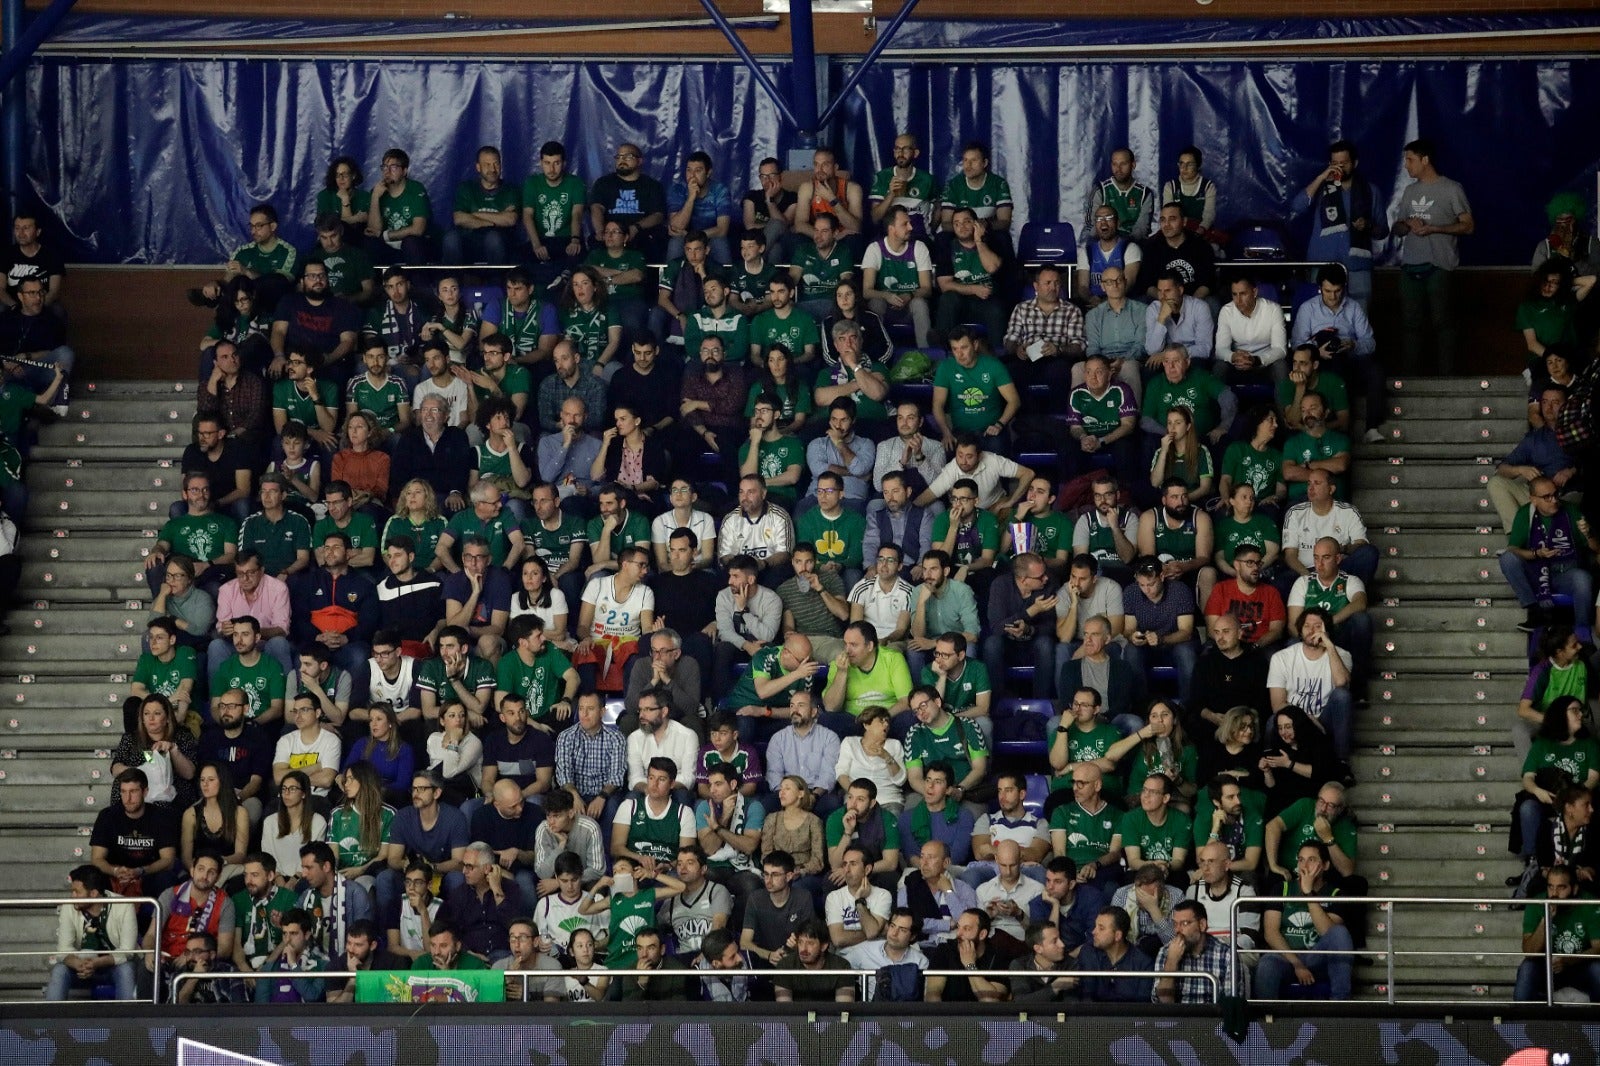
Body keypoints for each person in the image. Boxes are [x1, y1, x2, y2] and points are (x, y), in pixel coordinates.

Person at [1391, 137, 1474, 375]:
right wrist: (1408, 223)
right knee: (1409, 324)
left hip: (1439, 265)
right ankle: (1411, 379)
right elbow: (1397, 229)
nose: (1406, 165)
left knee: (1443, 323)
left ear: (1425, 160)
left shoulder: (1451, 188)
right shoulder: (1409, 191)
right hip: (1410, 267)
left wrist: (1435, 228)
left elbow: (1468, 226)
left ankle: (1446, 377)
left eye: (1410, 160)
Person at [1289, 264, 1384, 443]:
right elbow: (1297, 343)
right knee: (1335, 369)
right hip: (1320, 361)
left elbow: (1370, 343)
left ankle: (1371, 427)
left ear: (1344, 288)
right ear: (1320, 289)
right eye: (1328, 291)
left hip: (1350, 357)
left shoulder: (1354, 307)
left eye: (1337, 291)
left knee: (1376, 372)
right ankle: (1339, 429)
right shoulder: (1308, 309)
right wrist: (1317, 351)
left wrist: (1353, 344)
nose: (1333, 296)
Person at [1292, 139, 1387, 309]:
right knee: (1320, 319)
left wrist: (1368, 226)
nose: (1339, 167)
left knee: (1358, 321)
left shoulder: (1370, 191)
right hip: (1322, 265)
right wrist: (1321, 177)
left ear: (1355, 163)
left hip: (1357, 268)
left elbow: (1383, 231)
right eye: (1334, 163)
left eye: (1344, 163)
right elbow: (1297, 207)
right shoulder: (1321, 188)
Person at [1256, 841, 1355, 1001]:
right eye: (1301, 860)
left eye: (1311, 860)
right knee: (1267, 963)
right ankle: (1265, 1020)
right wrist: (1297, 964)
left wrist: (1309, 894)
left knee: (1340, 932)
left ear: (1325, 865)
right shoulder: (1282, 889)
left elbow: (1329, 933)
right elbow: (1271, 933)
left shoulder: (1335, 893)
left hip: (1319, 958)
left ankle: (1340, 1005)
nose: (1304, 865)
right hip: (1287, 958)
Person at [377, 770, 471, 922]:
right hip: (410, 873)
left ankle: (452, 933)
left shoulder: (455, 817)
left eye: (422, 789)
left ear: (437, 793)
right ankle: (388, 933)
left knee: (457, 879)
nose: (416, 793)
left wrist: (431, 867)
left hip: (442, 873)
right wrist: (405, 864)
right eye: (414, 789)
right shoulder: (403, 816)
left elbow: (459, 863)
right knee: (384, 878)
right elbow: (392, 859)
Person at [1267, 608, 1355, 760]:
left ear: (1327, 629)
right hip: (1294, 719)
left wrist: (1329, 646)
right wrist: (1307, 717)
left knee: (1342, 695)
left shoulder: (1342, 655)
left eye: (1318, 626)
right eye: (1307, 626)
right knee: (1271, 723)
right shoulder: (1281, 658)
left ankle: (1342, 762)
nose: (1312, 630)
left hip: (1326, 718)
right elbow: (1277, 704)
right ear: (1300, 630)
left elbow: (1341, 683)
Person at [1278, 468, 1377, 596]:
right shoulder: (1295, 513)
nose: (1310, 488)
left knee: (1369, 553)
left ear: (1331, 489)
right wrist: (1309, 578)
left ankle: (1350, 596)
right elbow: (1290, 555)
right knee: (1280, 583)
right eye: (1309, 483)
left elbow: (1361, 545)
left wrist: (1342, 548)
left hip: (1337, 571)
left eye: (1317, 483)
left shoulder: (1348, 512)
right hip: (1305, 571)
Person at [47, 865, 140, 1002]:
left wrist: (97, 963)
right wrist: (77, 964)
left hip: (114, 966)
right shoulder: (69, 907)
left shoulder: (124, 905)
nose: (72, 897)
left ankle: (126, 1022)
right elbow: (63, 950)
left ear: (94, 894)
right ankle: (49, 1021)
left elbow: (128, 951)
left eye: (77, 892)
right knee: (59, 971)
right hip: (81, 967)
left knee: (126, 970)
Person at [1514, 863, 1600, 1003]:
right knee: (1527, 968)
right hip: (1547, 968)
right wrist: (1545, 921)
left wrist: (1568, 960)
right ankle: (1521, 1022)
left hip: (1581, 966)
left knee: (1597, 969)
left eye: (1561, 887)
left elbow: (1598, 947)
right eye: (1550, 887)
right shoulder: (1537, 903)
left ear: (1574, 888)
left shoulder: (1590, 903)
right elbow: (1529, 951)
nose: (1554, 894)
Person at [580, 859, 686, 971]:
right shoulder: (613, 900)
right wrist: (598, 886)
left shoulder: (648, 894)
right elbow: (584, 909)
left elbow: (681, 887)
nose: (618, 873)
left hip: (646, 960)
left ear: (636, 873)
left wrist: (653, 874)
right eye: (615, 871)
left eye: (622, 868)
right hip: (617, 961)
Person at [860, 205, 934, 348]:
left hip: (910, 306)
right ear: (891, 228)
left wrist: (910, 295)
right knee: (875, 303)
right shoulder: (875, 248)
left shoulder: (919, 247)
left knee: (920, 304)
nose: (911, 227)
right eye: (905, 224)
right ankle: (876, 353)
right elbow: (866, 291)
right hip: (886, 306)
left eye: (910, 223)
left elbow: (927, 289)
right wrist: (886, 296)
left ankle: (926, 355)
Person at [554, 691, 628, 827]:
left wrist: (601, 797)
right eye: (581, 708)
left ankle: (606, 848)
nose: (584, 714)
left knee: (612, 806)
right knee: (562, 805)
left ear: (602, 712)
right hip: (575, 792)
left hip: (606, 794)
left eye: (590, 709)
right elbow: (563, 773)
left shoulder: (616, 738)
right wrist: (574, 796)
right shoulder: (566, 737)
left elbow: (616, 777)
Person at [520, 140, 587, 288]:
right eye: (547, 163)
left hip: (566, 239)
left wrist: (575, 240)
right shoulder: (532, 183)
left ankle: (563, 280)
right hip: (541, 240)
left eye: (556, 163)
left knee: (580, 256)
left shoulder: (575, 183)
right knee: (520, 258)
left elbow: (577, 214)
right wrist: (536, 244)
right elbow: (527, 216)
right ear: (541, 163)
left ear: (564, 163)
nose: (551, 169)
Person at [589, 141, 668, 258]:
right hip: (611, 234)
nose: (622, 160)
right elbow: (596, 208)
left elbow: (658, 215)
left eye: (628, 157)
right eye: (619, 157)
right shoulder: (604, 183)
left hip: (641, 234)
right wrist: (601, 231)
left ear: (639, 161)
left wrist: (636, 228)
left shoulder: (652, 185)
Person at [716, 474, 795, 588]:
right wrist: (743, 567)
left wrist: (763, 563)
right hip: (739, 570)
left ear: (763, 494)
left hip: (768, 570)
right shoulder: (730, 519)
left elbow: (785, 553)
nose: (744, 497)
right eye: (741, 492)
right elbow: (724, 556)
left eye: (750, 492)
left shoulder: (780, 516)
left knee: (783, 571)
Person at [1152, 899, 1238, 1003]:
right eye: (1175, 924)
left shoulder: (1226, 954)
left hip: (1213, 1017)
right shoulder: (1166, 952)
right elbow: (1162, 1003)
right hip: (1178, 1017)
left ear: (1202, 925)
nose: (1177, 930)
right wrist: (1171, 962)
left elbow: (1232, 1004)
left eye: (1184, 923)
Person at [1184, 838, 1261, 952]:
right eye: (1202, 862)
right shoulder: (1193, 890)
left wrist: (1217, 947)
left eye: (1211, 861)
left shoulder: (1244, 891)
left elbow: (1249, 938)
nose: (1205, 868)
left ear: (1227, 865)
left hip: (1236, 951)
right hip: (1201, 951)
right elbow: (1187, 930)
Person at [530, 783, 606, 891]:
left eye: (556, 816)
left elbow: (597, 869)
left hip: (583, 881)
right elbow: (542, 873)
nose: (551, 822)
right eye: (548, 816)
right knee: (542, 887)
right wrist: (560, 847)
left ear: (570, 813)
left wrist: (561, 882)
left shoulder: (590, 827)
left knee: (598, 887)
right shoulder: (543, 829)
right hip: (554, 881)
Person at [1215, 273, 1287, 385]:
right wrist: (1233, 357)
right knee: (1219, 366)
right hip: (1237, 363)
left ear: (1254, 292)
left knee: (1281, 366)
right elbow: (1220, 349)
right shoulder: (1226, 311)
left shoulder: (1273, 310)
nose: (1238, 300)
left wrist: (1256, 360)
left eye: (1243, 294)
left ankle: (1286, 403)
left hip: (1265, 363)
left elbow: (1280, 350)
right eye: (1234, 294)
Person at [940, 140, 1015, 244]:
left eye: (974, 160)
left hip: (987, 232)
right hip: (961, 233)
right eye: (965, 160)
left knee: (1002, 237)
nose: (968, 165)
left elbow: (1005, 222)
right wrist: (967, 229)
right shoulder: (953, 185)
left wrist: (982, 226)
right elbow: (946, 223)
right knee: (943, 238)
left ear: (985, 163)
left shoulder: (998, 183)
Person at [624, 697, 698, 801]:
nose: (641, 715)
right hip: (646, 788)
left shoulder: (687, 735)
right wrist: (649, 788)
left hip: (675, 788)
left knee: (682, 797)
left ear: (664, 712)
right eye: (640, 710)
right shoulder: (634, 737)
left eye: (648, 709)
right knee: (632, 798)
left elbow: (688, 778)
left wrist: (664, 787)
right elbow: (634, 778)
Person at [1141, 201, 1217, 303]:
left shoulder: (1200, 246)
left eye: (1172, 219)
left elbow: (1207, 284)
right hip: (1163, 300)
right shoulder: (1152, 247)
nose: (1166, 224)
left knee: (1212, 303)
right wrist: (1167, 301)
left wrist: (1189, 306)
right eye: (1163, 220)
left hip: (1195, 300)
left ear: (1184, 221)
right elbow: (1148, 286)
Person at [667, 152, 734, 264]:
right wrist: (691, 199)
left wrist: (692, 236)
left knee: (720, 242)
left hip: (710, 238)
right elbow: (675, 227)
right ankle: (669, 280)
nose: (692, 176)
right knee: (676, 242)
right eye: (689, 170)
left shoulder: (720, 190)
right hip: (684, 238)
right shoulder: (678, 189)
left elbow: (722, 229)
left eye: (698, 171)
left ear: (708, 173)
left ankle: (724, 281)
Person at [1077, 907, 1155, 1003]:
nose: (1094, 932)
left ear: (1117, 936)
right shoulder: (1088, 953)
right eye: (1095, 926)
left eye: (1101, 928)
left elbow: (1142, 1007)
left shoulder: (1143, 964)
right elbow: (1087, 997)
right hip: (1094, 1016)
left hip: (1130, 1017)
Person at [873, 401, 947, 499]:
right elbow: (878, 486)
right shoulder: (884, 446)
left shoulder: (936, 447)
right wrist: (901, 463)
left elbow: (938, 487)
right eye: (900, 418)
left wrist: (920, 458)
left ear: (920, 422)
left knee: (938, 508)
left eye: (910, 418)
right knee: (874, 506)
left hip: (924, 498)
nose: (904, 423)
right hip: (892, 500)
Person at [1077, 205, 1143, 307]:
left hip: (1122, 304)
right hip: (1094, 305)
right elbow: (1083, 286)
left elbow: (1128, 284)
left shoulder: (1130, 248)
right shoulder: (1087, 251)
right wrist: (1091, 299)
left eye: (1108, 218)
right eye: (1099, 219)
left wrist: (1107, 302)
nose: (1103, 222)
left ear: (1117, 222)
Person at [1088, 147, 1155, 239]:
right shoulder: (1100, 190)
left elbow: (1142, 229)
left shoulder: (1144, 193)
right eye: (1114, 164)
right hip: (1105, 243)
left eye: (1123, 164)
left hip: (1133, 245)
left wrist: (1124, 243)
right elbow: (1092, 227)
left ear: (1133, 165)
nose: (1118, 169)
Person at [744, 157, 798, 257]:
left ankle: (753, 263)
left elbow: (783, 225)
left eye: (771, 175)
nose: (767, 180)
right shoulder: (751, 197)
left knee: (777, 224)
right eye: (763, 176)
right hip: (758, 243)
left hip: (785, 243)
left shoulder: (792, 198)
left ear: (780, 176)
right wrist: (771, 226)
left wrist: (770, 200)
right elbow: (750, 226)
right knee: (775, 249)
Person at [410, 918, 489, 972]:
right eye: (433, 945)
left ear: (457, 946)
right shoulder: (421, 964)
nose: (437, 952)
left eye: (443, 946)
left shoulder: (474, 966)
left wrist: (448, 977)